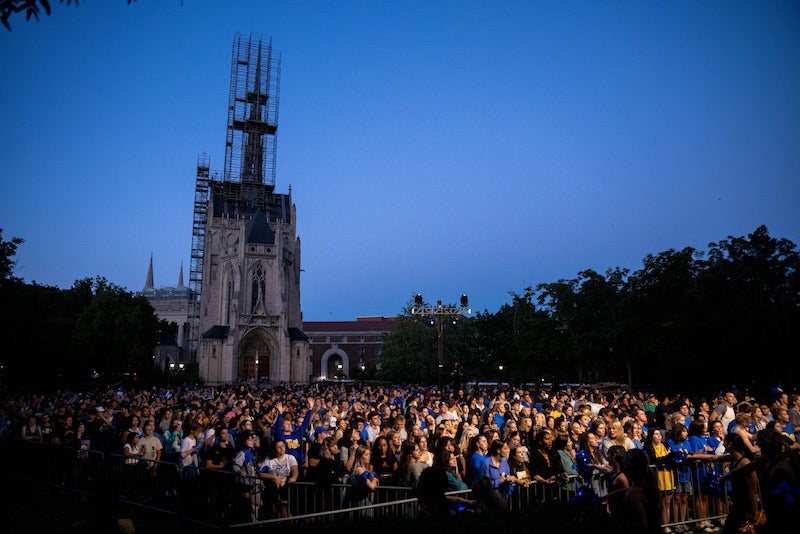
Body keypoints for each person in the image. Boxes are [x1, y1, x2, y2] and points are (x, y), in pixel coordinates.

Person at [719, 433, 761, 534]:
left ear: (730, 444)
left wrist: (754, 512)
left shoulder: (745, 462)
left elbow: (753, 491)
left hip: (745, 504)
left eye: (725, 442)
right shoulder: (734, 459)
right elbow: (713, 458)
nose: (723, 445)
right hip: (738, 503)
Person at [643, 428, 676, 533]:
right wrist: (666, 457)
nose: (659, 436)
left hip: (668, 477)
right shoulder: (648, 447)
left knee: (667, 503)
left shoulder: (666, 445)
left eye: (660, 434)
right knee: (657, 504)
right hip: (657, 478)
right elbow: (653, 460)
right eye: (656, 434)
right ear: (651, 436)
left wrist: (665, 459)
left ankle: (666, 525)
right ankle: (657, 525)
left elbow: (672, 458)